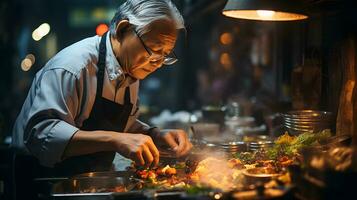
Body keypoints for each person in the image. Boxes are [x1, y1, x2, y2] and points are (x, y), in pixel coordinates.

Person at [12, 0, 192, 176]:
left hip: (87, 180)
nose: (158, 63)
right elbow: (41, 134)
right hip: (43, 180)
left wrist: (153, 134)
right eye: (153, 50)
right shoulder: (74, 67)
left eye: (165, 55)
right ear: (123, 30)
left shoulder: (130, 69)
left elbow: (118, 126)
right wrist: (116, 140)